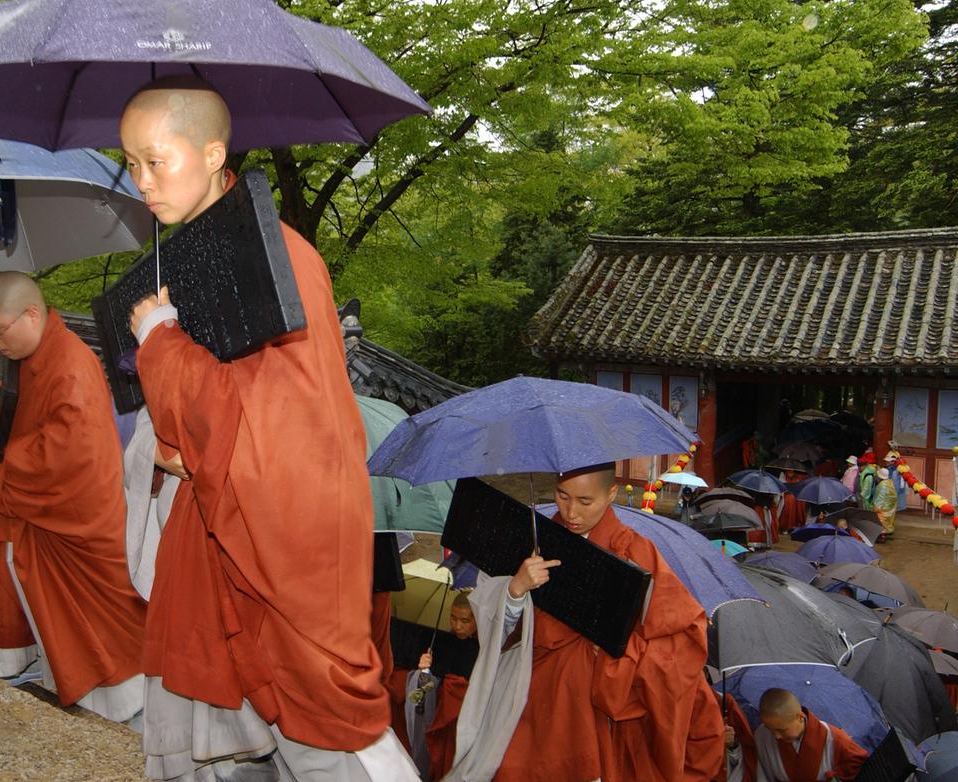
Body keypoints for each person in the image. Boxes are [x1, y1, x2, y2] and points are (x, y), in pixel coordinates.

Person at [121, 77, 416, 779]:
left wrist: (160, 341)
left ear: (213, 151)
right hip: (219, 528)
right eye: (129, 163)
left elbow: (274, 435)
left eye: (156, 161)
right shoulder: (200, 256)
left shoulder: (281, 259)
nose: (141, 182)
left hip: (286, 537)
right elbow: (214, 418)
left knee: (322, 725)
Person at [0, 272, 148, 723]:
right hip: (28, 509)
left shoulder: (70, 365)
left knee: (105, 648)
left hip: (72, 519)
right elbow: (7, 438)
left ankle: (123, 711)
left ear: (32, 314)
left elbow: (68, 457)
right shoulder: (23, 361)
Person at [446, 463, 724, 781]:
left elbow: (683, 637)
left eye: (585, 501)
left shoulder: (635, 550)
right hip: (531, 691)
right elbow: (497, 628)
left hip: (599, 702)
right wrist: (516, 588)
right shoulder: (536, 539)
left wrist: (619, 652)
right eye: (562, 496)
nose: (571, 512)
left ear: (611, 494)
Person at [406, 593, 479, 781]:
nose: (457, 626)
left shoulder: (486, 648)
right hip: (437, 718)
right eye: (453, 618)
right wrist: (423, 672)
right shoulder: (440, 642)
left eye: (465, 620)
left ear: (477, 619)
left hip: (465, 724)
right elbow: (419, 695)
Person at [753, 688, 868, 781]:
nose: (776, 736)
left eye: (782, 730)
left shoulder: (835, 739)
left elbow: (858, 767)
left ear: (800, 717)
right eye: (770, 729)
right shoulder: (761, 735)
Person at [871, 467, 897, 537]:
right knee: (888, 521)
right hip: (890, 507)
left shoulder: (882, 485)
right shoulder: (890, 482)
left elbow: (880, 498)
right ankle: (888, 531)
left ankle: (882, 535)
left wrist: (875, 507)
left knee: (881, 521)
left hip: (882, 508)